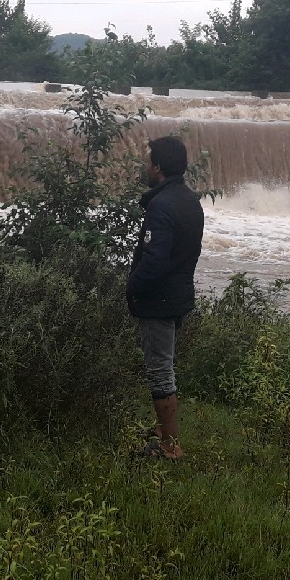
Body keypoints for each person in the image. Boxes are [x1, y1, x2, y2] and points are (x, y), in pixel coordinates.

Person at [126, 136, 205, 460]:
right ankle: (164, 430)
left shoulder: (161, 205)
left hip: (159, 299)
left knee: (160, 370)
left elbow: (155, 260)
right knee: (166, 364)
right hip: (179, 294)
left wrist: (132, 287)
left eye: (148, 161)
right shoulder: (190, 200)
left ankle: (171, 446)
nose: (146, 166)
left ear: (157, 166)